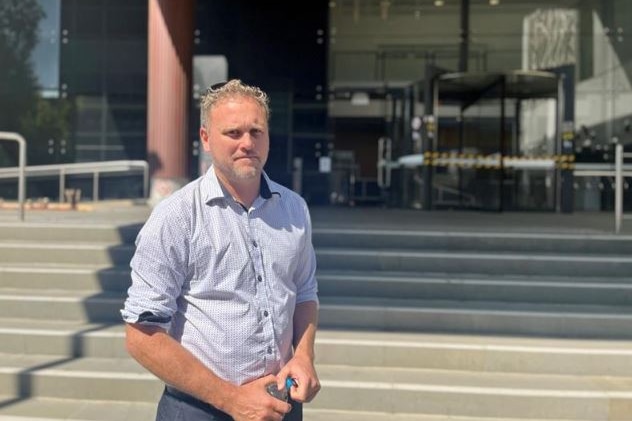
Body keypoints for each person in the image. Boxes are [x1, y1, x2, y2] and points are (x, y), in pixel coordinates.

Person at [121, 79, 320, 421]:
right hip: (201, 409)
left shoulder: (294, 209)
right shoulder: (176, 217)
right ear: (206, 139)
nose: (247, 143)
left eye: (256, 132)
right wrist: (232, 400)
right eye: (233, 133)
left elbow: (304, 293)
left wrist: (303, 356)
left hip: (280, 403)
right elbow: (141, 336)